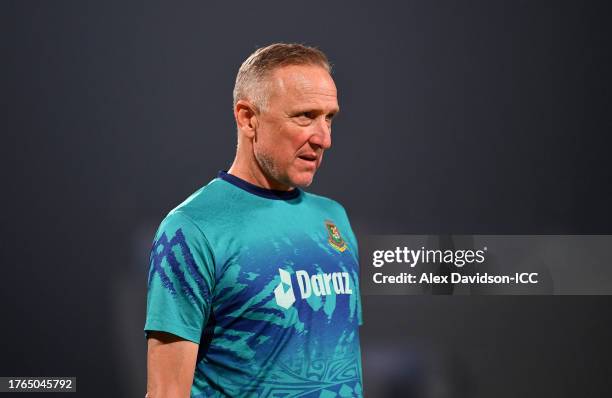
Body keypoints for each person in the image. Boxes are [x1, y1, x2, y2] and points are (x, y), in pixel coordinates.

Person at [144, 43, 363, 397]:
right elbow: (166, 392)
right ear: (248, 118)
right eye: (305, 116)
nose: (324, 138)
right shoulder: (192, 229)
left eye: (329, 117)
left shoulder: (334, 219)